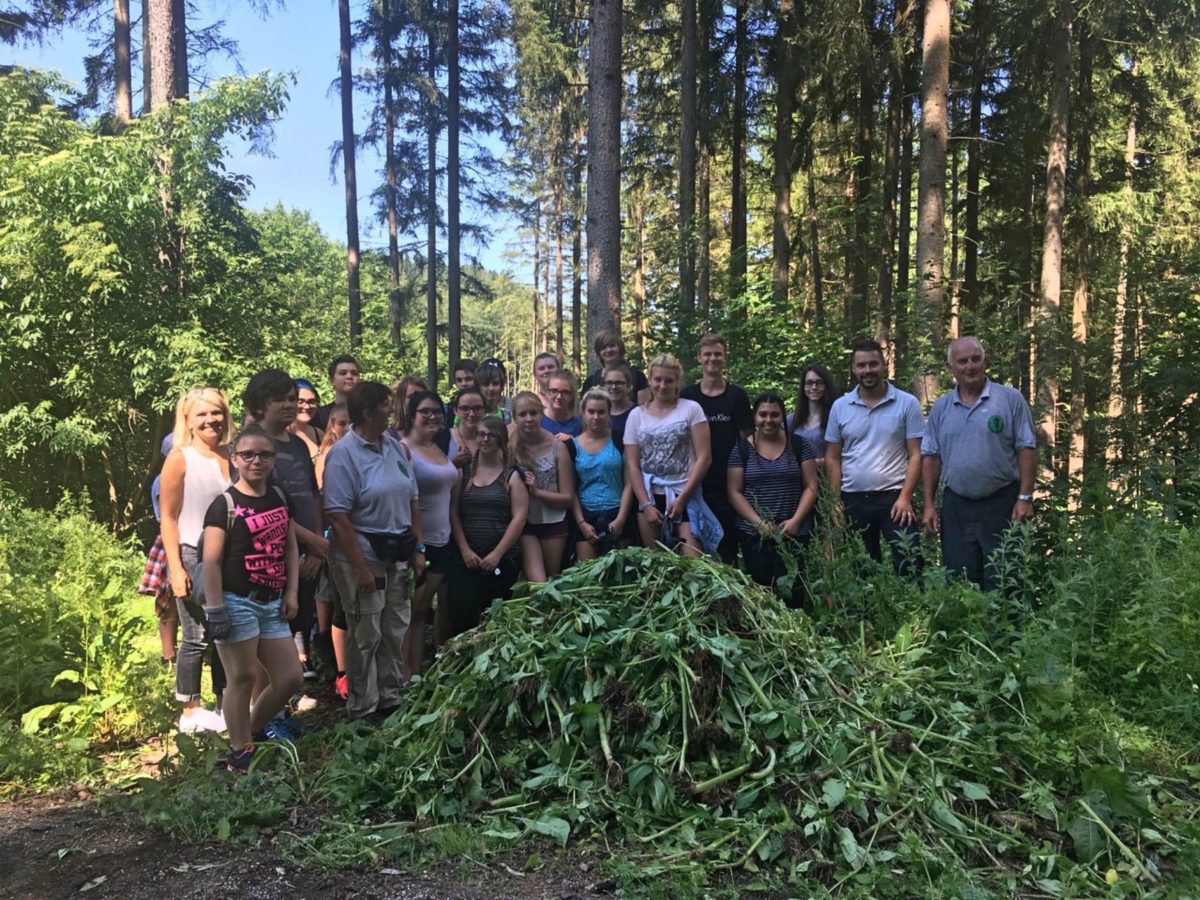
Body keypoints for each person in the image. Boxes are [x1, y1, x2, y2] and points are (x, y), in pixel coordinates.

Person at [200, 425, 304, 773]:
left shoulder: (278, 497)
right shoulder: (224, 504)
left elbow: (289, 546)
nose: (256, 461)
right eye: (248, 454)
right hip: (236, 600)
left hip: (272, 602)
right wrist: (215, 609)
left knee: (290, 677)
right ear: (235, 459)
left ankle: (253, 731)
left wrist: (291, 591)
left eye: (265, 454)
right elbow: (211, 562)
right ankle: (240, 751)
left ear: (273, 459)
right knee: (241, 677)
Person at [322, 381, 424, 722]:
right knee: (367, 631)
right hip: (363, 551)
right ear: (367, 412)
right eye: (385, 405)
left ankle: (390, 697)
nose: (391, 411)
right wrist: (359, 568)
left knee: (396, 625)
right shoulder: (344, 454)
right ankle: (363, 706)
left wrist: (418, 547)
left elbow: (412, 499)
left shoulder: (394, 446)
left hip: (398, 549)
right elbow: (337, 515)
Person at [921, 336, 1037, 591]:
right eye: (962, 361)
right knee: (959, 577)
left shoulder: (1009, 399)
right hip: (956, 505)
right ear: (951, 368)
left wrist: (1025, 497)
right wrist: (929, 504)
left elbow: (1026, 448)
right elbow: (930, 457)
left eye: (975, 359)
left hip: (1002, 503)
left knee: (1005, 576)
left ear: (986, 362)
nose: (969, 366)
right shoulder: (941, 408)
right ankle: (966, 630)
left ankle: (1006, 630)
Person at [243, 369, 329, 684]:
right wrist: (311, 542)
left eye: (293, 398)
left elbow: (312, 494)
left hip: (307, 554)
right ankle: (263, 713)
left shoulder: (296, 444)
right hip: (269, 556)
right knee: (267, 636)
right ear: (261, 404)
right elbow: (263, 507)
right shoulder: (251, 447)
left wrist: (317, 545)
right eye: (280, 399)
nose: (290, 404)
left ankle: (281, 704)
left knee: (296, 624)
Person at [159, 387, 232, 733]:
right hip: (191, 551)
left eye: (216, 413)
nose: (210, 420)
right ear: (187, 420)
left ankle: (225, 702)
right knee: (196, 634)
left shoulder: (231, 455)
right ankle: (189, 709)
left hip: (228, 553)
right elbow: (168, 517)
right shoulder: (179, 458)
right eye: (202, 414)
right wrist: (176, 567)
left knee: (224, 631)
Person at [825, 338, 925, 575]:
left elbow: (916, 454)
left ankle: (912, 610)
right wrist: (835, 500)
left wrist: (906, 497)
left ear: (884, 364)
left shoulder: (906, 403)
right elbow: (832, 458)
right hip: (853, 499)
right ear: (853, 368)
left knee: (909, 563)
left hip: (895, 499)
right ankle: (867, 613)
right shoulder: (840, 407)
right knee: (862, 568)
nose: (867, 370)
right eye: (861, 365)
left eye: (873, 364)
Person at [625, 354, 722, 557]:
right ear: (650, 380)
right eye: (658, 379)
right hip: (650, 496)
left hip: (684, 493)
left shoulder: (690, 409)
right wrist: (646, 504)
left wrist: (682, 499)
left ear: (677, 382)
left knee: (693, 562)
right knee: (655, 565)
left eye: (669, 380)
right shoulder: (636, 415)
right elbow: (633, 465)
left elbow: (705, 458)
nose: (663, 385)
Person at [727, 394, 820, 605]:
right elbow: (734, 491)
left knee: (795, 590)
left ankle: (796, 631)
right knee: (761, 592)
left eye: (774, 415)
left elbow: (811, 486)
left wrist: (796, 520)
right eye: (763, 415)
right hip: (754, 533)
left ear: (782, 416)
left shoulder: (798, 445)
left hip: (794, 531)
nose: (768, 420)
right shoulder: (742, 449)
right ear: (754, 417)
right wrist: (758, 523)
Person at [446, 416, 529, 638]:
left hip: (501, 559)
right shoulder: (464, 474)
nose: (485, 439)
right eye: (481, 434)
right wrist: (464, 550)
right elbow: (453, 513)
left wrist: (497, 554)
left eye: (491, 435)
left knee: (494, 622)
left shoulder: (512, 475)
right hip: (466, 558)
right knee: (462, 617)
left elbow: (519, 517)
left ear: (501, 439)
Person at [399, 390, 458, 680]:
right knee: (408, 613)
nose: (433, 416)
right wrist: (417, 546)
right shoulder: (404, 448)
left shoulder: (438, 448)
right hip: (418, 544)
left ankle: (415, 673)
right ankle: (401, 676)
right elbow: (405, 499)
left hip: (443, 540)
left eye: (437, 411)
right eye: (426, 411)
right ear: (412, 416)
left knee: (422, 613)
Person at [680, 333, 753, 564]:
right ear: (699, 358)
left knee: (727, 547)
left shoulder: (737, 396)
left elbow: (747, 439)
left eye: (717, 354)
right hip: (694, 483)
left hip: (728, 483)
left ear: (725, 358)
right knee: (695, 546)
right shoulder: (687, 397)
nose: (713, 358)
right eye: (708, 354)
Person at [512, 392, 576, 581]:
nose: (529, 419)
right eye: (522, 414)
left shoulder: (557, 447)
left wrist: (537, 492)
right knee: (536, 582)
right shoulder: (509, 446)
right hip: (523, 523)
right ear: (514, 417)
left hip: (553, 522)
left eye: (534, 413)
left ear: (542, 414)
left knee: (550, 580)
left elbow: (567, 498)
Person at [312, 402, 350, 699]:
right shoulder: (328, 455)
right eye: (341, 424)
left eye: (350, 423)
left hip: (353, 536)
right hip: (330, 537)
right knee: (332, 602)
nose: (346, 429)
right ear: (332, 427)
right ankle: (339, 669)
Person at [571, 389, 633, 561]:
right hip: (586, 516)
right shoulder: (572, 445)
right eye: (591, 412)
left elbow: (629, 483)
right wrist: (581, 523)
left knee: (622, 578)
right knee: (587, 578)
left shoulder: (621, 440)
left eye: (601, 412)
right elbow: (571, 489)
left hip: (618, 513)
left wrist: (621, 519)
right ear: (583, 412)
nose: (596, 417)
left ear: (609, 413)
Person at [790, 364, 841, 470]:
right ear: (803, 387)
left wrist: (810, 463)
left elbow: (841, 455)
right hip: (796, 482)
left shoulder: (837, 417)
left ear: (826, 385)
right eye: (809, 383)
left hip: (826, 480)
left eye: (819, 383)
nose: (814, 387)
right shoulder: (791, 420)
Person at [580, 330, 650, 405]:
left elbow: (644, 411)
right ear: (599, 353)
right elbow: (583, 412)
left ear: (620, 348)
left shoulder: (638, 377)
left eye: (612, 346)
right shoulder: (590, 382)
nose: (608, 350)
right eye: (604, 348)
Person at [314, 354, 360, 431]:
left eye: (354, 373)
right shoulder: (319, 416)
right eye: (343, 373)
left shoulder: (367, 414)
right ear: (332, 381)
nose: (349, 376)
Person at [448, 386, 487, 468]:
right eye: (465, 408)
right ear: (455, 410)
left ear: (485, 410)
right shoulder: (443, 438)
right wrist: (453, 464)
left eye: (477, 408)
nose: (471, 414)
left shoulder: (493, 439)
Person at [542, 371, 583, 438]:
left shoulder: (579, 424)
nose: (559, 397)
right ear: (547, 392)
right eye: (554, 391)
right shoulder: (537, 420)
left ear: (571, 395)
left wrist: (572, 442)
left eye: (565, 392)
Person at [291, 379, 324, 460]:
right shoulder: (281, 433)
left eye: (311, 402)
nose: (307, 406)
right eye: (300, 401)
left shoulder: (319, 435)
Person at [475, 359, 511, 423]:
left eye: (495, 384)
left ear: (501, 385)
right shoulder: (470, 413)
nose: (491, 388)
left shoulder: (508, 416)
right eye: (486, 384)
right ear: (478, 386)